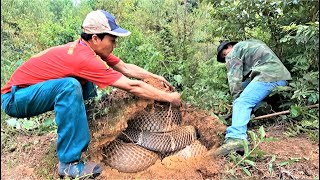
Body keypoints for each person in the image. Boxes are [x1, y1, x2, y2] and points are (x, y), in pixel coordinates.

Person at [1, 10, 181, 178]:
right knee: (69, 86)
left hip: (27, 92)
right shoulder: (83, 58)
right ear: (95, 38)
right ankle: (69, 164)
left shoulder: (88, 49)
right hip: (15, 98)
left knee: (81, 82)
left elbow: (125, 68)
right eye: (112, 39)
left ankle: (88, 125)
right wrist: (169, 97)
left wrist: (154, 76)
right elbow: (131, 86)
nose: (115, 44)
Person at [211, 39, 292, 156]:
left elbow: (234, 82)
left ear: (229, 46)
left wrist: (237, 102)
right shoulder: (250, 44)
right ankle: (239, 117)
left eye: (224, 54)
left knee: (241, 101)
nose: (226, 58)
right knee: (244, 90)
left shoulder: (234, 52)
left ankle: (236, 138)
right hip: (282, 78)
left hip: (268, 76)